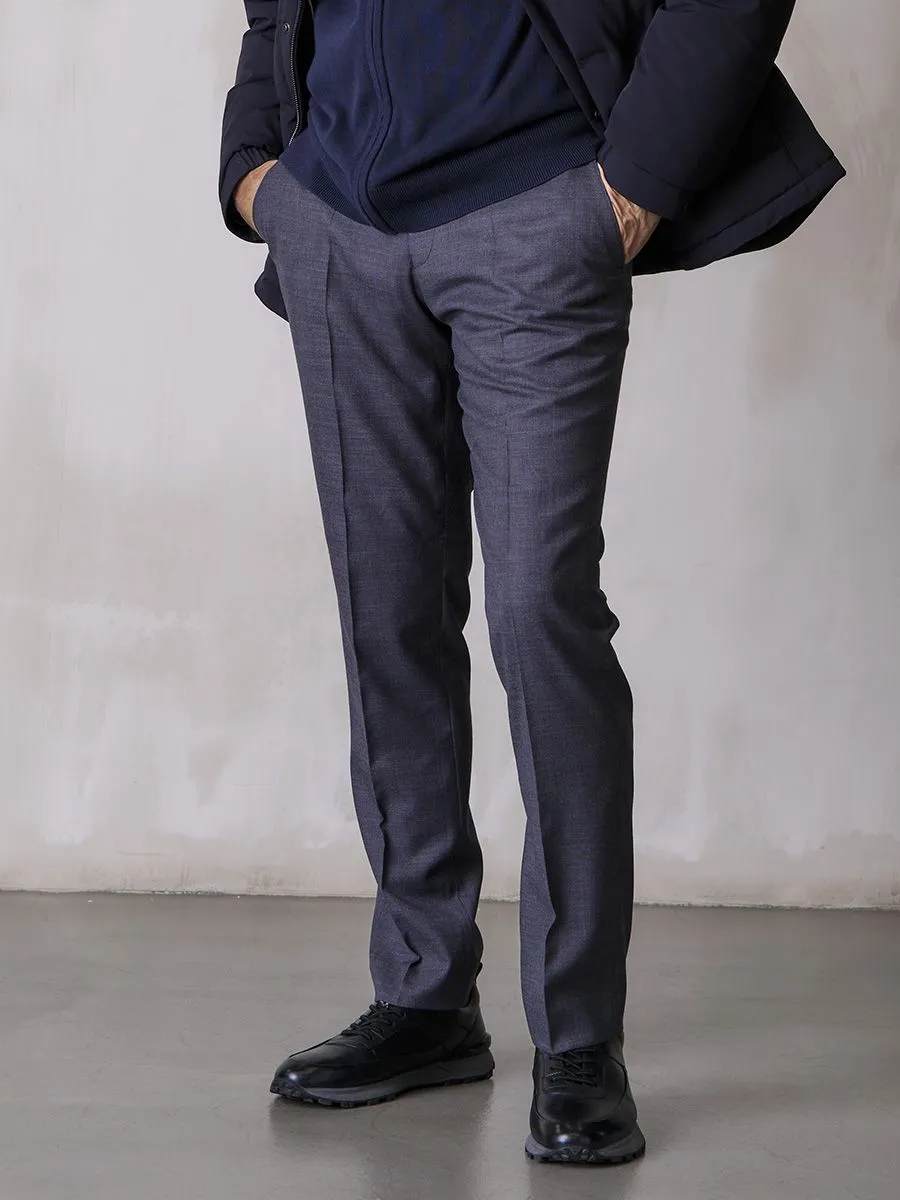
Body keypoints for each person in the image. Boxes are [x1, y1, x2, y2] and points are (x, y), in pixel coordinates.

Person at [218, 0, 843, 1166]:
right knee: (385, 612)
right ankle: (423, 993)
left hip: (539, 210)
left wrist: (635, 184)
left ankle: (579, 1038)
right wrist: (257, 168)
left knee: (538, 611)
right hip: (338, 221)